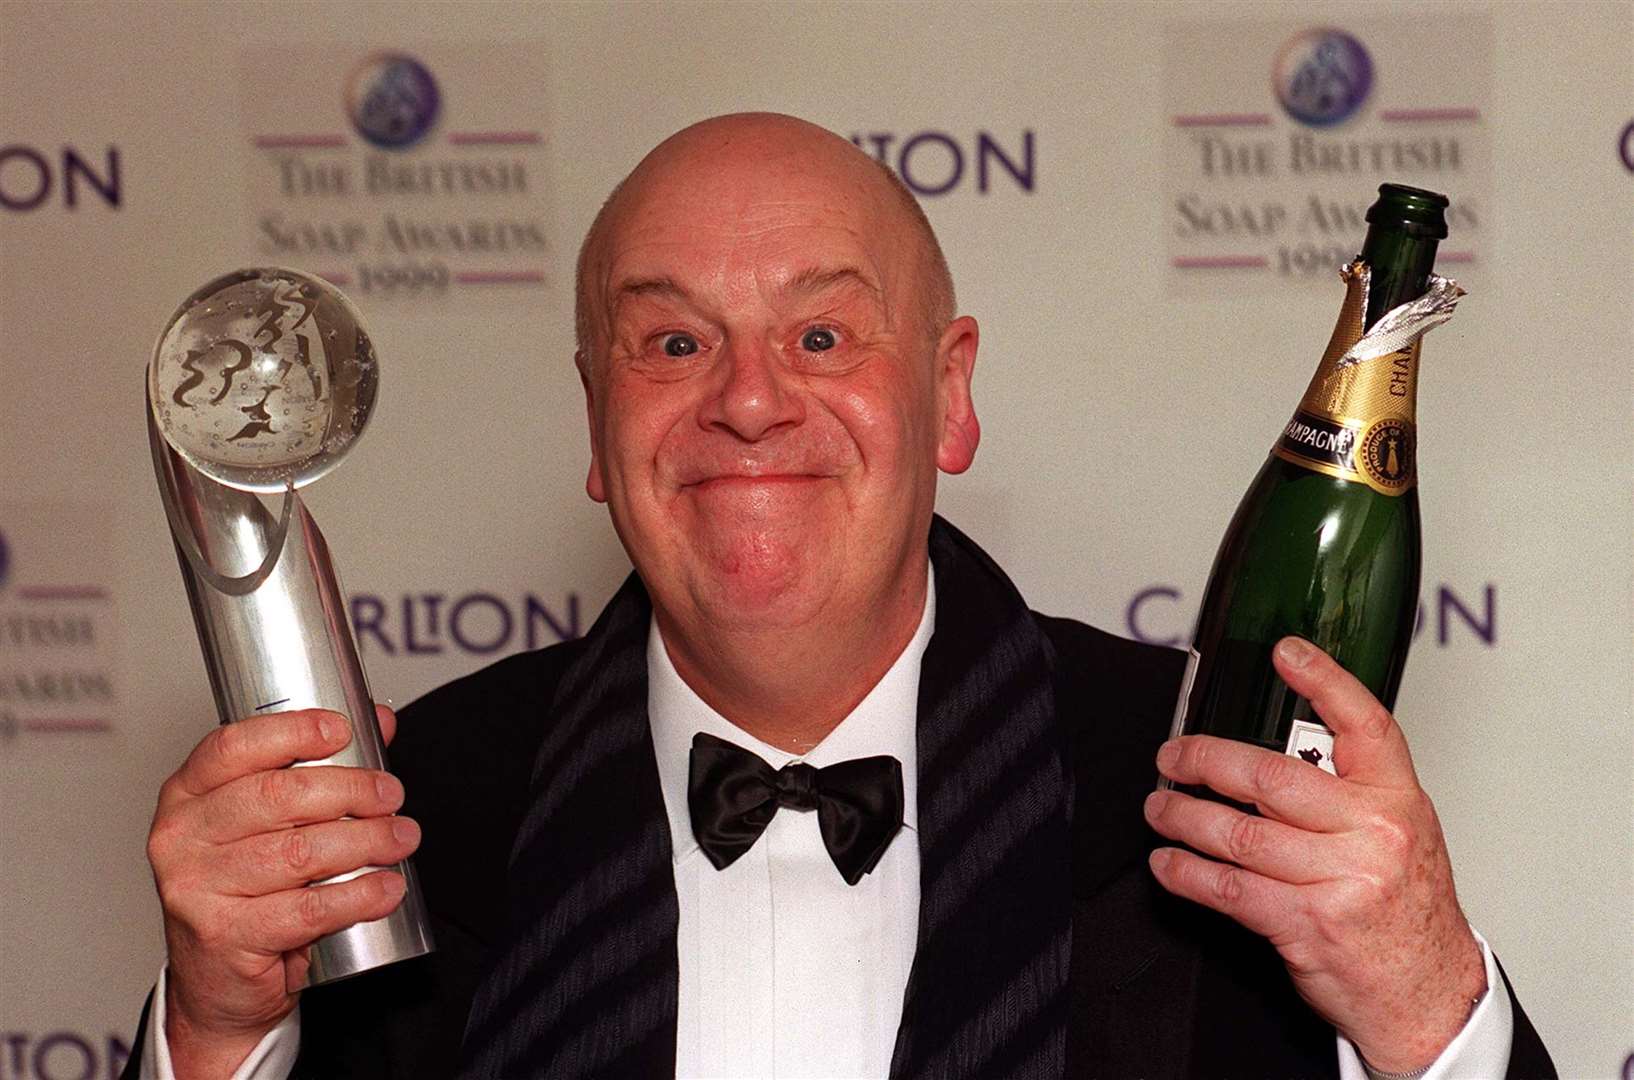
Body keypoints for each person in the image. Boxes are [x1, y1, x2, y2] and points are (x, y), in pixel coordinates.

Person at [123, 113, 1554, 1079]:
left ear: (948, 394)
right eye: (672, 341)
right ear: (594, 423)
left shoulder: (1208, 786)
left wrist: (1426, 998)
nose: (748, 401)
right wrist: (213, 1027)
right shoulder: (409, 814)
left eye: (820, 332)